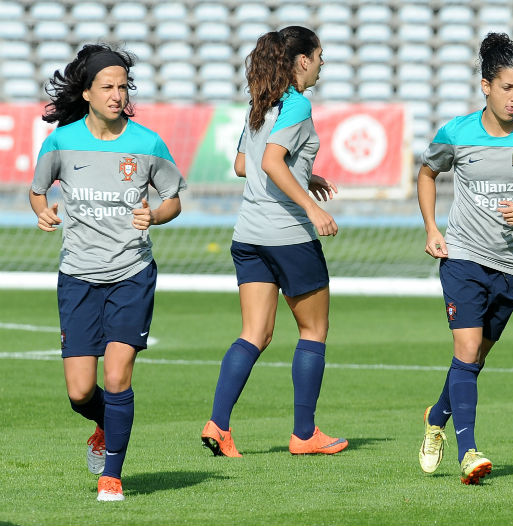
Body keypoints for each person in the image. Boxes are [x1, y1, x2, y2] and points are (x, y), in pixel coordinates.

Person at [30, 43, 187, 501]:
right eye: (108, 86)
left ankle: (112, 476)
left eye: (123, 86)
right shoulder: (60, 142)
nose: (118, 95)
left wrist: (155, 215)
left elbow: (173, 199)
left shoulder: (147, 143)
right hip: (78, 276)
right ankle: (103, 423)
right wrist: (44, 212)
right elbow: (38, 192)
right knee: (81, 391)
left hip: (132, 273)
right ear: (86, 92)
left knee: (118, 377)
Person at [416, 33, 513, 484]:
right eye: (507, 88)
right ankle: (469, 453)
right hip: (462, 257)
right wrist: (431, 228)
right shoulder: (456, 133)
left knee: (475, 360)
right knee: (464, 350)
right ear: (486, 86)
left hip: (511, 267)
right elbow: (427, 174)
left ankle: (437, 415)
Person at [200, 26, 347, 458]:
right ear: (303, 60)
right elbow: (269, 161)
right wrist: (311, 206)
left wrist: (304, 173)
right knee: (313, 330)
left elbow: (243, 164)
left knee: (254, 333)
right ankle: (304, 435)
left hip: (248, 235)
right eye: (320, 56)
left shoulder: (261, 102)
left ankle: (218, 424)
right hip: (287, 236)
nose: (322, 64)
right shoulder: (298, 104)